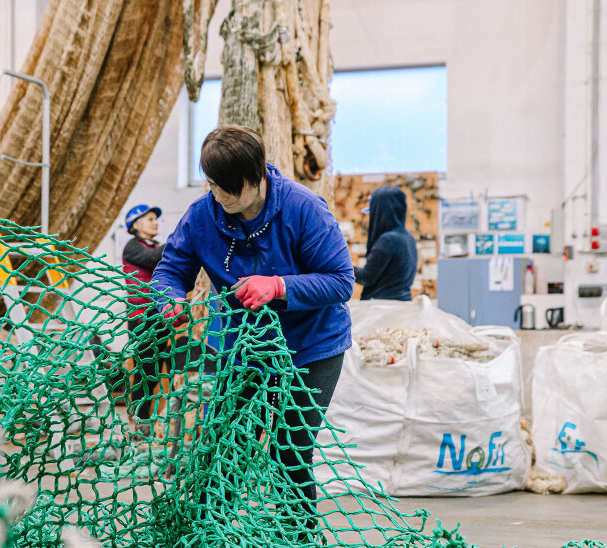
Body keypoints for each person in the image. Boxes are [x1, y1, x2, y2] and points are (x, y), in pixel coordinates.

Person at [151, 125, 354, 533]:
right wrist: (169, 297)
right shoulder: (202, 215)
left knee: (289, 449)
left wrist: (279, 286)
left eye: (229, 188)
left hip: (310, 346)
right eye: (213, 186)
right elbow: (170, 270)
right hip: (240, 350)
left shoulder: (303, 209)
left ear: (258, 176)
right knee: (225, 445)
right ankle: (209, 533)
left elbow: (341, 280)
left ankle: (296, 535)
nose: (220, 196)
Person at [121, 204, 166, 431]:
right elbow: (153, 258)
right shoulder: (133, 248)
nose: (155, 222)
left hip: (160, 316)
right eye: (149, 219)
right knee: (144, 371)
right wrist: (182, 240)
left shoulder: (157, 246)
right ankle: (140, 421)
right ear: (136, 225)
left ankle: (155, 420)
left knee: (159, 369)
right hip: (141, 318)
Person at [354, 186, 418, 301]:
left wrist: (342, 266)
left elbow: (366, 277)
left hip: (383, 308)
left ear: (380, 212)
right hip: (403, 304)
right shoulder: (409, 238)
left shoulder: (388, 240)